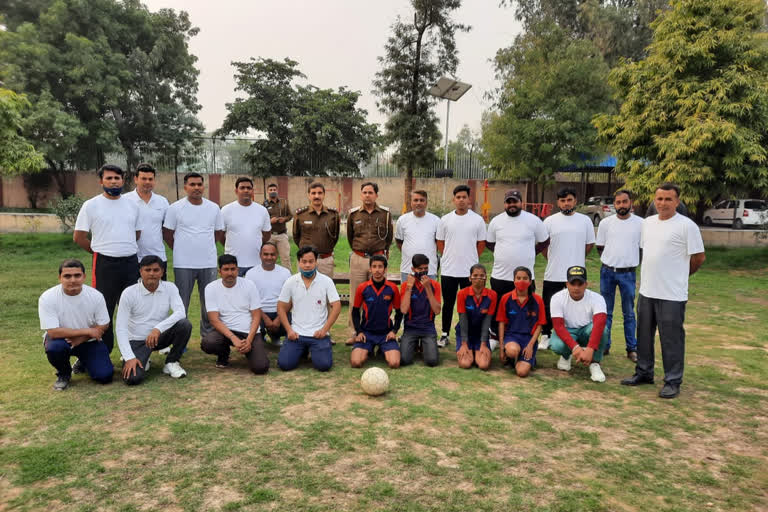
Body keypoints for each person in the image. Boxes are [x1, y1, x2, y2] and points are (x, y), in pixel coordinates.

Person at [622, 183, 705, 399]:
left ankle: (672, 380)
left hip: (672, 294)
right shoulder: (647, 223)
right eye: (659, 199)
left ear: (677, 202)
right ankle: (644, 372)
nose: (663, 203)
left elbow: (698, 258)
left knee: (671, 339)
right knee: (644, 336)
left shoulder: (687, 226)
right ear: (654, 201)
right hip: (648, 291)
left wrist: (679, 276)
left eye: (668, 199)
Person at [73, 164, 141, 355]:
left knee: (132, 308)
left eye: (117, 178)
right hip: (104, 264)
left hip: (130, 263)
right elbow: (79, 237)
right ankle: (103, 352)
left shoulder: (132, 205)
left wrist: (122, 247)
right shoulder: (91, 205)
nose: (113, 181)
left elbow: (137, 233)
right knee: (104, 309)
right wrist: (99, 251)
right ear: (101, 181)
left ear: (123, 180)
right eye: (109, 178)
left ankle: (133, 351)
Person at [163, 172, 225, 338]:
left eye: (199, 184)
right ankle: (179, 338)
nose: (196, 188)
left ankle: (209, 337)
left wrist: (206, 247)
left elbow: (218, 232)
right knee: (181, 302)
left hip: (208, 262)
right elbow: (168, 233)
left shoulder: (213, 207)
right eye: (192, 184)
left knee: (209, 302)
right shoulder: (175, 208)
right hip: (183, 263)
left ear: (203, 186)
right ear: (185, 187)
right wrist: (180, 249)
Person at [116, 255, 192, 385]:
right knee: (132, 379)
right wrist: (129, 357)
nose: (152, 274)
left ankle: (172, 362)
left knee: (184, 324)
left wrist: (158, 329)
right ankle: (141, 358)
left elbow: (181, 312)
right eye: (148, 270)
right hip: (137, 340)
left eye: (156, 270)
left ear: (162, 272)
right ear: (141, 271)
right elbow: (120, 328)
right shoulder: (129, 293)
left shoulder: (170, 287)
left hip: (159, 337)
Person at [38, 259, 112, 390]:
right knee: (54, 348)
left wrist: (82, 338)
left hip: (89, 341)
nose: (73, 280)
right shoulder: (48, 297)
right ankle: (64, 373)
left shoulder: (96, 296)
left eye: (77, 275)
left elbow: (103, 325)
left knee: (104, 376)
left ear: (84, 276)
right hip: (61, 340)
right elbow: (53, 332)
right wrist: (87, 331)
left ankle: (84, 362)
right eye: (67, 276)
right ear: (60, 278)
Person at [486, 189, 549, 343]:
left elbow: (545, 241)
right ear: (505, 204)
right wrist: (503, 252)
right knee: (499, 308)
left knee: (526, 309)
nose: (512, 205)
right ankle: (495, 336)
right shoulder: (496, 221)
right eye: (509, 202)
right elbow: (489, 243)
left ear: (521, 203)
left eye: (515, 201)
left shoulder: (533, 220)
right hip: (500, 275)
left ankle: (525, 337)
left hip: (525, 277)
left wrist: (532, 253)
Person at [540, 187, 595, 348]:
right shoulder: (549, 221)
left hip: (575, 275)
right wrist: (553, 259)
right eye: (562, 201)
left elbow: (589, 244)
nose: (566, 203)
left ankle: (572, 336)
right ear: (558, 202)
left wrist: (577, 258)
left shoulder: (585, 221)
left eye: (569, 200)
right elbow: (543, 246)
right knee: (548, 305)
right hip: (554, 273)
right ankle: (545, 335)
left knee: (574, 307)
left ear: (575, 201)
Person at [436, 184, 486, 347]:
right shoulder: (445, 220)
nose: (461, 200)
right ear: (454, 200)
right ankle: (444, 334)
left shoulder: (477, 220)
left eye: (464, 197)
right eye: (458, 197)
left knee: (470, 304)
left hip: (469, 272)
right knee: (448, 303)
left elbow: (481, 244)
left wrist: (471, 260)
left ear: (469, 199)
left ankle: (470, 334)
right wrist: (449, 257)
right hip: (449, 270)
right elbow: (440, 242)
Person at [277, 246, 342, 372]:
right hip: (297, 334)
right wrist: (289, 330)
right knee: (285, 364)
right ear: (299, 262)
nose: (307, 265)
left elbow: (337, 306)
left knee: (323, 366)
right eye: (304, 262)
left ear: (316, 262)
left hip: (318, 335)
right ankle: (303, 350)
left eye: (311, 261)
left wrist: (324, 330)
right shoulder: (290, 281)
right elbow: (281, 307)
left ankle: (315, 348)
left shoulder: (326, 281)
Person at [201, 254, 269, 374]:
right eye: (226, 269)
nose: (230, 273)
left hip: (249, 332)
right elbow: (214, 320)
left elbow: (256, 315)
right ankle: (224, 354)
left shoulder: (249, 285)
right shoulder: (211, 288)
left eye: (233, 269)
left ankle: (248, 349)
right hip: (226, 332)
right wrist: (234, 338)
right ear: (219, 271)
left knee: (261, 368)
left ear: (237, 270)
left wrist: (248, 340)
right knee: (208, 343)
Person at [595, 189, 642, 361]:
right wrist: (611, 261)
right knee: (605, 311)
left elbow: (642, 249)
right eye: (618, 202)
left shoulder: (640, 223)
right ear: (614, 205)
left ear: (631, 203)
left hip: (628, 274)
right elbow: (600, 247)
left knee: (629, 312)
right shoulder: (606, 223)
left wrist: (629, 261)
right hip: (607, 272)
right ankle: (605, 345)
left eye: (625, 202)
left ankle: (632, 348)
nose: (621, 205)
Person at [346, 182, 393, 344]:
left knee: (381, 297)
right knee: (355, 296)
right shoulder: (353, 214)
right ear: (361, 195)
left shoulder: (385, 214)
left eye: (370, 192)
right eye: (364, 192)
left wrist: (382, 254)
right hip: (358, 259)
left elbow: (389, 238)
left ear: (376, 195)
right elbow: (350, 237)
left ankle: (382, 329)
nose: (367, 195)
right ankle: (354, 332)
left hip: (379, 260)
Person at [548, 266, 609, 383]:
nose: (576, 288)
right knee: (556, 345)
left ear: (586, 284)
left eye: (580, 284)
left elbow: (600, 323)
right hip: (567, 330)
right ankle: (567, 355)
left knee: (604, 330)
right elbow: (558, 326)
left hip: (586, 329)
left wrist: (590, 349)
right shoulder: (557, 298)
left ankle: (595, 363)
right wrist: (576, 348)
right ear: (567, 284)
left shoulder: (597, 298)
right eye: (572, 283)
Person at [350, 255, 402, 369]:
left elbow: (399, 312)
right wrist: (359, 332)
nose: (377, 270)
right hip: (367, 333)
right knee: (356, 362)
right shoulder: (362, 287)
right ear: (370, 269)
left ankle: (382, 350)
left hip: (386, 333)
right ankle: (368, 349)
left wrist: (394, 331)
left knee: (394, 363)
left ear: (385, 269)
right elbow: (355, 312)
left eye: (380, 267)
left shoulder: (392, 288)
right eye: (374, 266)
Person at [497, 266, 546, 378]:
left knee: (522, 373)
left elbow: (540, 324)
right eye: (518, 278)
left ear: (530, 281)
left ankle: (527, 357)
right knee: (512, 351)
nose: (521, 281)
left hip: (529, 339)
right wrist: (501, 348)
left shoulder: (537, 300)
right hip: (512, 337)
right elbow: (501, 323)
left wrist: (530, 345)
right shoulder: (506, 298)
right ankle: (513, 356)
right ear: (514, 280)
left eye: (525, 278)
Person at [123, 163, 170, 279]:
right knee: (134, 294)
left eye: (150, 179)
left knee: (159, 293)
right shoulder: (125, 200)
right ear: (136, 179)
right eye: (143, 178)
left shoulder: (162, 202)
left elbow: (167, 229)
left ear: (154, 181)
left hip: (158, 257)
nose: (147, 182)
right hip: (132, 258)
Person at [221, 177, 272, 276]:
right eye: (242, 188)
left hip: (256, 262)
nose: (246, 190)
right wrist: (230, 246)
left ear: (252, 191)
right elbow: (220, 235)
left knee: (255, 291)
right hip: (233, 264)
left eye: (249, 188)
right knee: (234, 291)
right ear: (236, 191)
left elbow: (267, 234)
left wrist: (256, 245)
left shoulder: (262, 211)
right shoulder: (226, 210)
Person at [245, 242, 292, 346]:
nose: (269, 257)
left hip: (280, 311)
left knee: (296, 326)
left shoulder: (285, 273)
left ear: (277, 255)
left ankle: (276, 337)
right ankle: (260, 338)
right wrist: (265, 318)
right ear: (260, 255)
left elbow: (290, 299)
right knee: (249, 326)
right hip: (259, 312)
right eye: (265, 254)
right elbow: (248, 300)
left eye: (272, 254)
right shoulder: (251, 274)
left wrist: (279, 318)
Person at [399, 254, 442, 367]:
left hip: (428, 328)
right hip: (410, 328)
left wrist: (428, 288)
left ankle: (424, 344)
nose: (423, 271)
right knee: (404, 360)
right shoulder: (405, 285)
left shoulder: (435, 285)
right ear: (413, 269)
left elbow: (437, 311)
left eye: (426, 269)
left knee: (432, 361)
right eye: (420, 269)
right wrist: (409, 287)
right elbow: (403, 310)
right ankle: (415, 344)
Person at [293, 182, 340, 277]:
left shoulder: (333, 214)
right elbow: (296, 236)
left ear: (324, 195)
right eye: (313, 193)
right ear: (308, 195)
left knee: (325, 290)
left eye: (319, 193)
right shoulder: (301, 214)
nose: (316, 196)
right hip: (306, 261)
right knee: (304, 289)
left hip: (325, 260)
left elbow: (335, 236)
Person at [454, 264, 497, 371]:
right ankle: (469, 350)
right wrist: (464, 344)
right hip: (465, 332)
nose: (478, 279)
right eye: (475, 275)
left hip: (480, 334)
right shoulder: (462, 294)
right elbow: (462, 320)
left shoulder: (492, 295)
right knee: (465, 364)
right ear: (470, 278)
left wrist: (483, 344)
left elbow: (487, 321)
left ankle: (476, 350)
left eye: (482, 276)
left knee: (483, 365)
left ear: (486, 278)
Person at [395, 190, 439, 283]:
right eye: (415, 200)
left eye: (421, 200)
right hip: (408, 270)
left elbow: (438, 243)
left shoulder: (436, 220)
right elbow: (399, 242)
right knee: (407, 296)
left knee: (429, 296)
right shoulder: (402, 220)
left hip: (429, 270)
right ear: (411, 202)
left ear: (426, 203)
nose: (418, 203)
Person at [264, 182, 292, 271]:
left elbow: (290, 215)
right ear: (267, 191)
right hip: (270, 235)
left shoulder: (284, 202)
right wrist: (270, 221)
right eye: (271, 190)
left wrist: (284, 219)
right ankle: (269, 276)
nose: (273, 191)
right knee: (269, 259)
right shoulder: (264, 204)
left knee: (285, 259)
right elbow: (261, 221)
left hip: (282, 235)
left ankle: (288, 279)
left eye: (274, 190)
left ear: (277, 191)